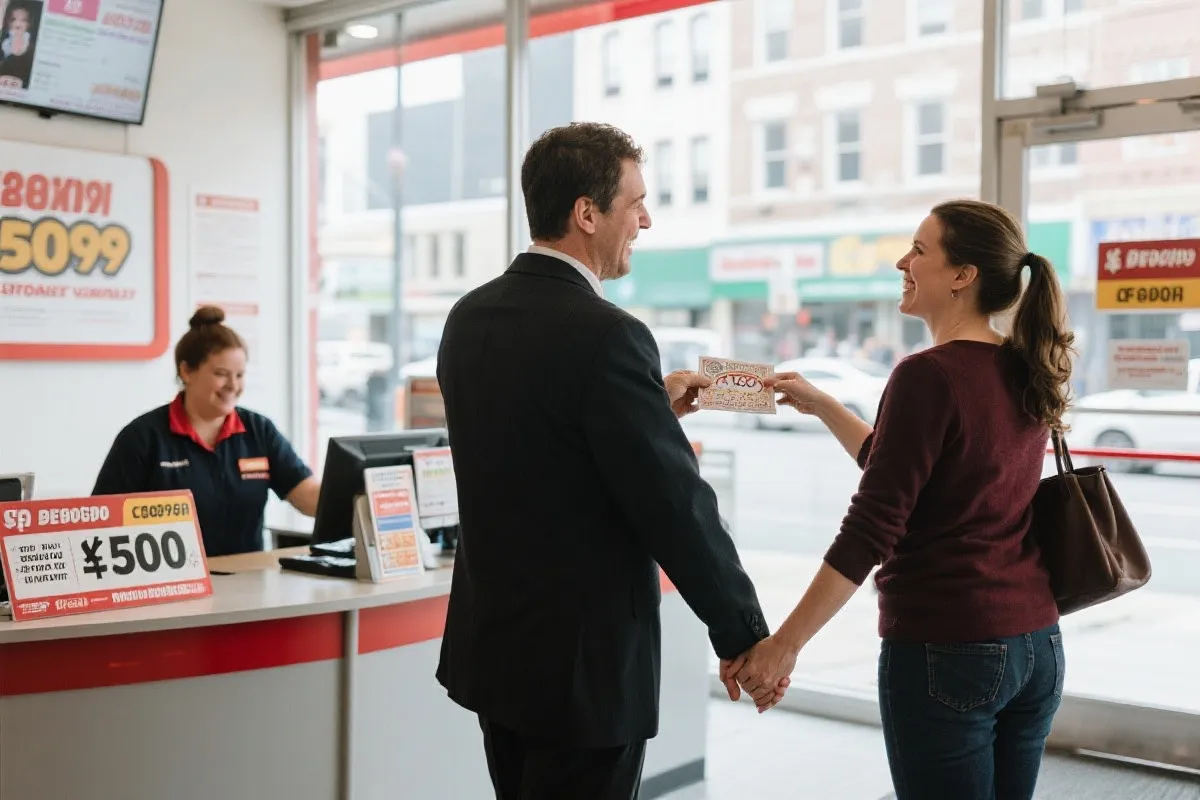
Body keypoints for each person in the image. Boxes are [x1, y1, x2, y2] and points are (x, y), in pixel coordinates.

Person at [434, 122, 781, 800]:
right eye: (635, 203)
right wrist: (743, 633)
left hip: (497, 652)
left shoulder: (468, 317)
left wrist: (646, 407)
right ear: (586, 214)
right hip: (583, 671)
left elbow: (538, 441)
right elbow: (674, 506)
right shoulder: (609, 336)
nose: (644, 220)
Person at [727, 199, 1074, 799]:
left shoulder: (929, 374)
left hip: (951, 648)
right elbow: (917, 478)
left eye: (919, 250)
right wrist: (825, 405)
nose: (901, 262)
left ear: (962, 276)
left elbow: (873, 525)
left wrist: (784, 646)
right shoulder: (1020, 366)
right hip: (1036, 646)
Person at [93, 306, 320, 557]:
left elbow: (307, 495)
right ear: (186, 371)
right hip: (169, 586)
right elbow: (102, 519)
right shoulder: (142, 437)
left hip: (249, 583)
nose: (233, 386)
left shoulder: (259, 430)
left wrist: (358, 496)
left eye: (240, 375)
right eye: (221, 374)